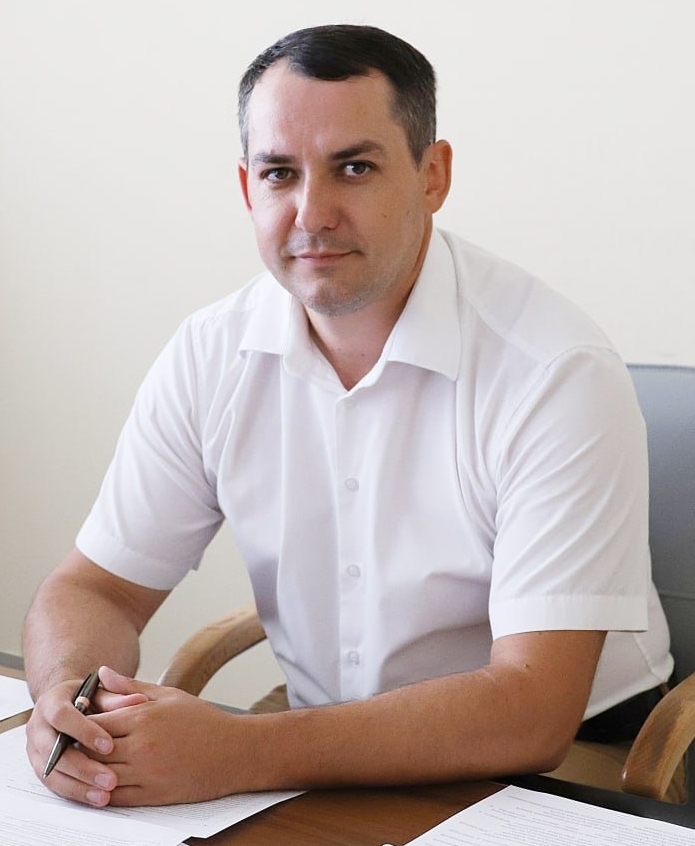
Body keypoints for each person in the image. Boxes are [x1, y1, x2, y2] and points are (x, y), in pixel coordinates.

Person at [23, 23, 678, 808]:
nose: (312, 213)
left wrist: (236, 750)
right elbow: (96, 589)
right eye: (279, 173)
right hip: (315, 731)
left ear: (432, 176)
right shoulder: (210, 352)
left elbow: (531, 710)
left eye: (354, 168)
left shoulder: (553, 370)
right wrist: (69, 702)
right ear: (247, 189)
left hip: (564, 759)